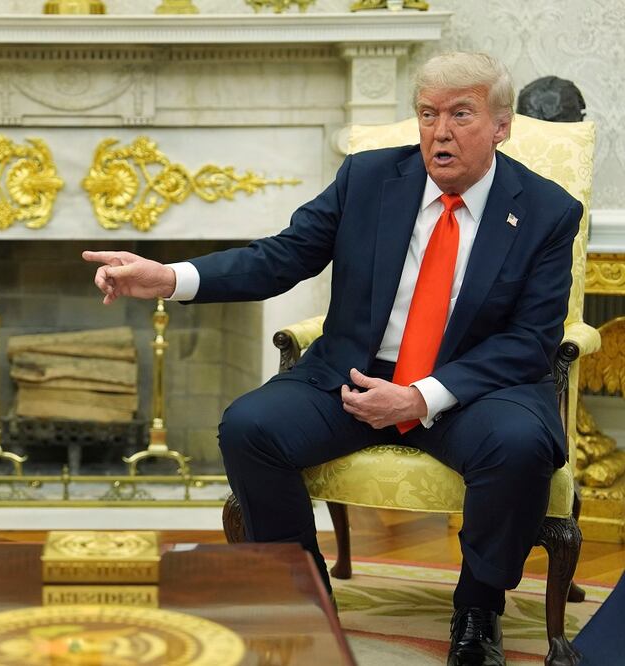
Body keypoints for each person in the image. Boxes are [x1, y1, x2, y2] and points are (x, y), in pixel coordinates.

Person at [84, 52, 581, 666]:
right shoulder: (369, 179)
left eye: (460, 114)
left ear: (501, 125)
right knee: (250, 426)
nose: (440, 132)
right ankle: (302, 590)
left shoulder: (546, 210)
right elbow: (281, 257)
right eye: (427, 114)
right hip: (354, 374)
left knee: (520, 444)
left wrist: (423, 395)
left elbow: (529, 340)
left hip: (470, 388)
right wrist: (171, 277)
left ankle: (477, 612)